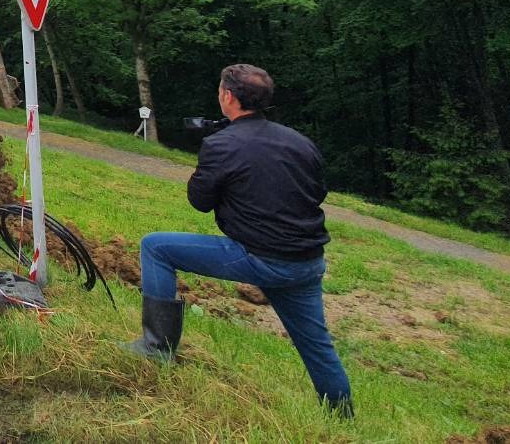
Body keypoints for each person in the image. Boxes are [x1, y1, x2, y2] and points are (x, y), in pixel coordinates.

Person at [124, 64, 353, 416]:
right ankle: (342, 417)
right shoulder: (300, 142)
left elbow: (199, 201)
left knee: (156, 246)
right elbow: (317, 192)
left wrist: (208, 160)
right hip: (306, 262)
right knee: (317, 346)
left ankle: (157, 347)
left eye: (219, 89)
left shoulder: (221, 144)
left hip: (259, 258)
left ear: (227, 96)